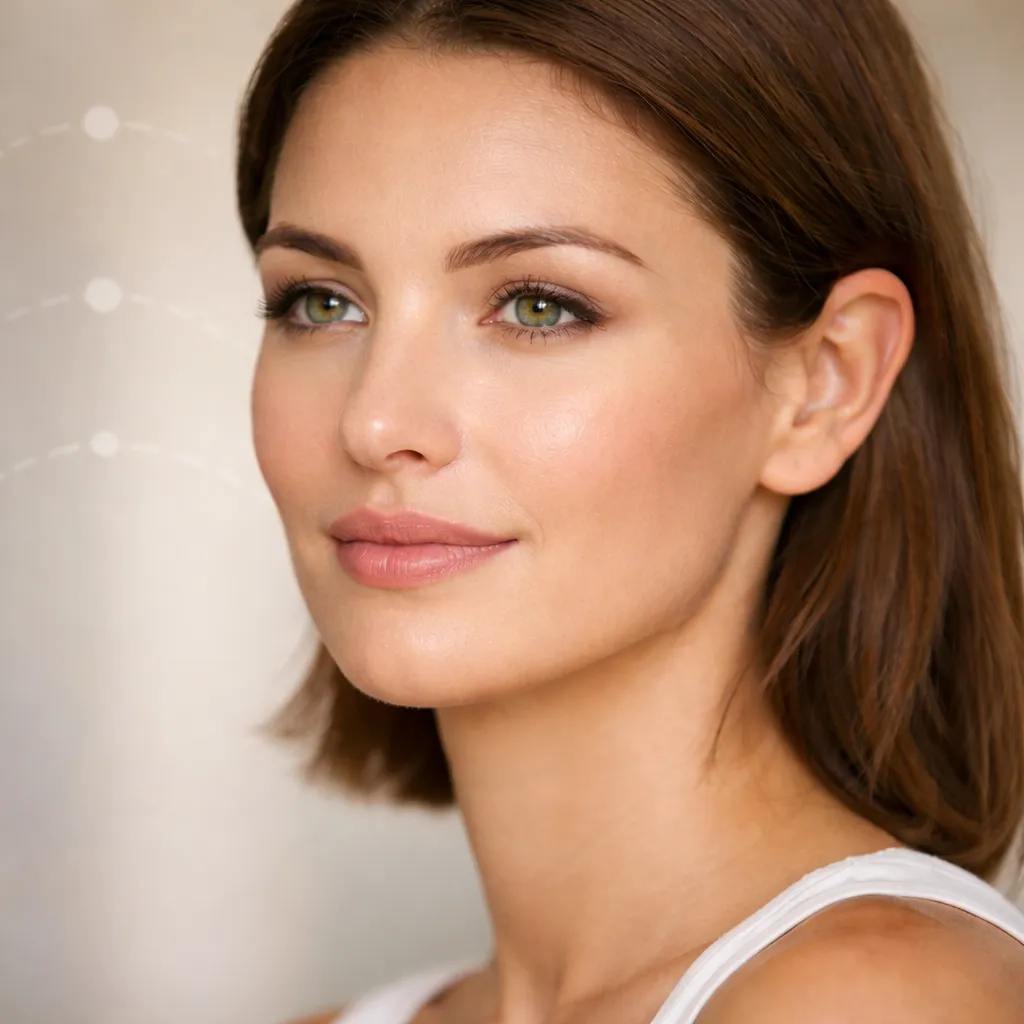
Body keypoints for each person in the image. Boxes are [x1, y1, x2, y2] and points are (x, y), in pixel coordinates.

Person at [235, 0, 1024, 1021]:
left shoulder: (880, 998)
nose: (376, 421)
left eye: (537, 305)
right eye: (320, 301)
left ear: (825, 381)